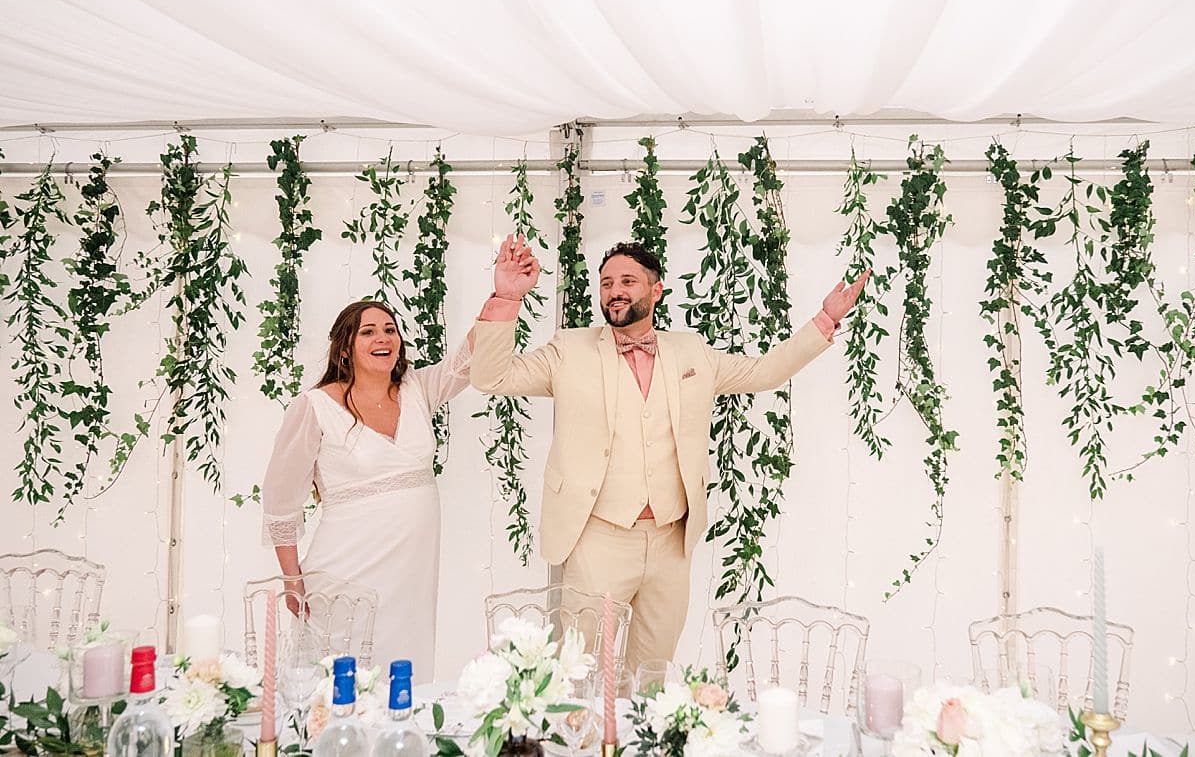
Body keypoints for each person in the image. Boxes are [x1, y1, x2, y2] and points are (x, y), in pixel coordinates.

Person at [470, 237, 868, 671]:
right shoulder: (569, 349)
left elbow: (764, 372)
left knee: (652, 674)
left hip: (670, 542)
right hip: (597, 537)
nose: (615, 291)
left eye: (627, 280)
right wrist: (507, 298)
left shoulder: (691, 351)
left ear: (656, 289)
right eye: (606, 284)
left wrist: (826, 319)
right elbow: (492, 377)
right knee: (580, 673)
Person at [261, 299, 501, 679]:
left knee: (402, 670)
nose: (383, 338)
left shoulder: (417, 388)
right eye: (368, 331)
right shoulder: (315, 406)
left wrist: (505, 297)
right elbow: (280, 500)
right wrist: (292, 579)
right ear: (345, 347)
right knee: (338, 673)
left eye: (390, 330)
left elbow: (467, 359)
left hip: (411, 577)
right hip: (346, 567)